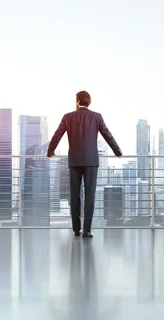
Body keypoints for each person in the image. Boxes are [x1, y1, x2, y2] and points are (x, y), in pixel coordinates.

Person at [47, 90, 122, 238]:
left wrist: (50, 151)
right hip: (91, 161)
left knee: (74, 195)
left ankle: (76, 230)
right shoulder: (96, 117)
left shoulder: (67, 117)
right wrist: (117, 152)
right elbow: (107, 135)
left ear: (77, 101)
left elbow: (57, 135)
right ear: (89, 102)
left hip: (74, 161)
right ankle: (87, 230)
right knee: (90, 195)